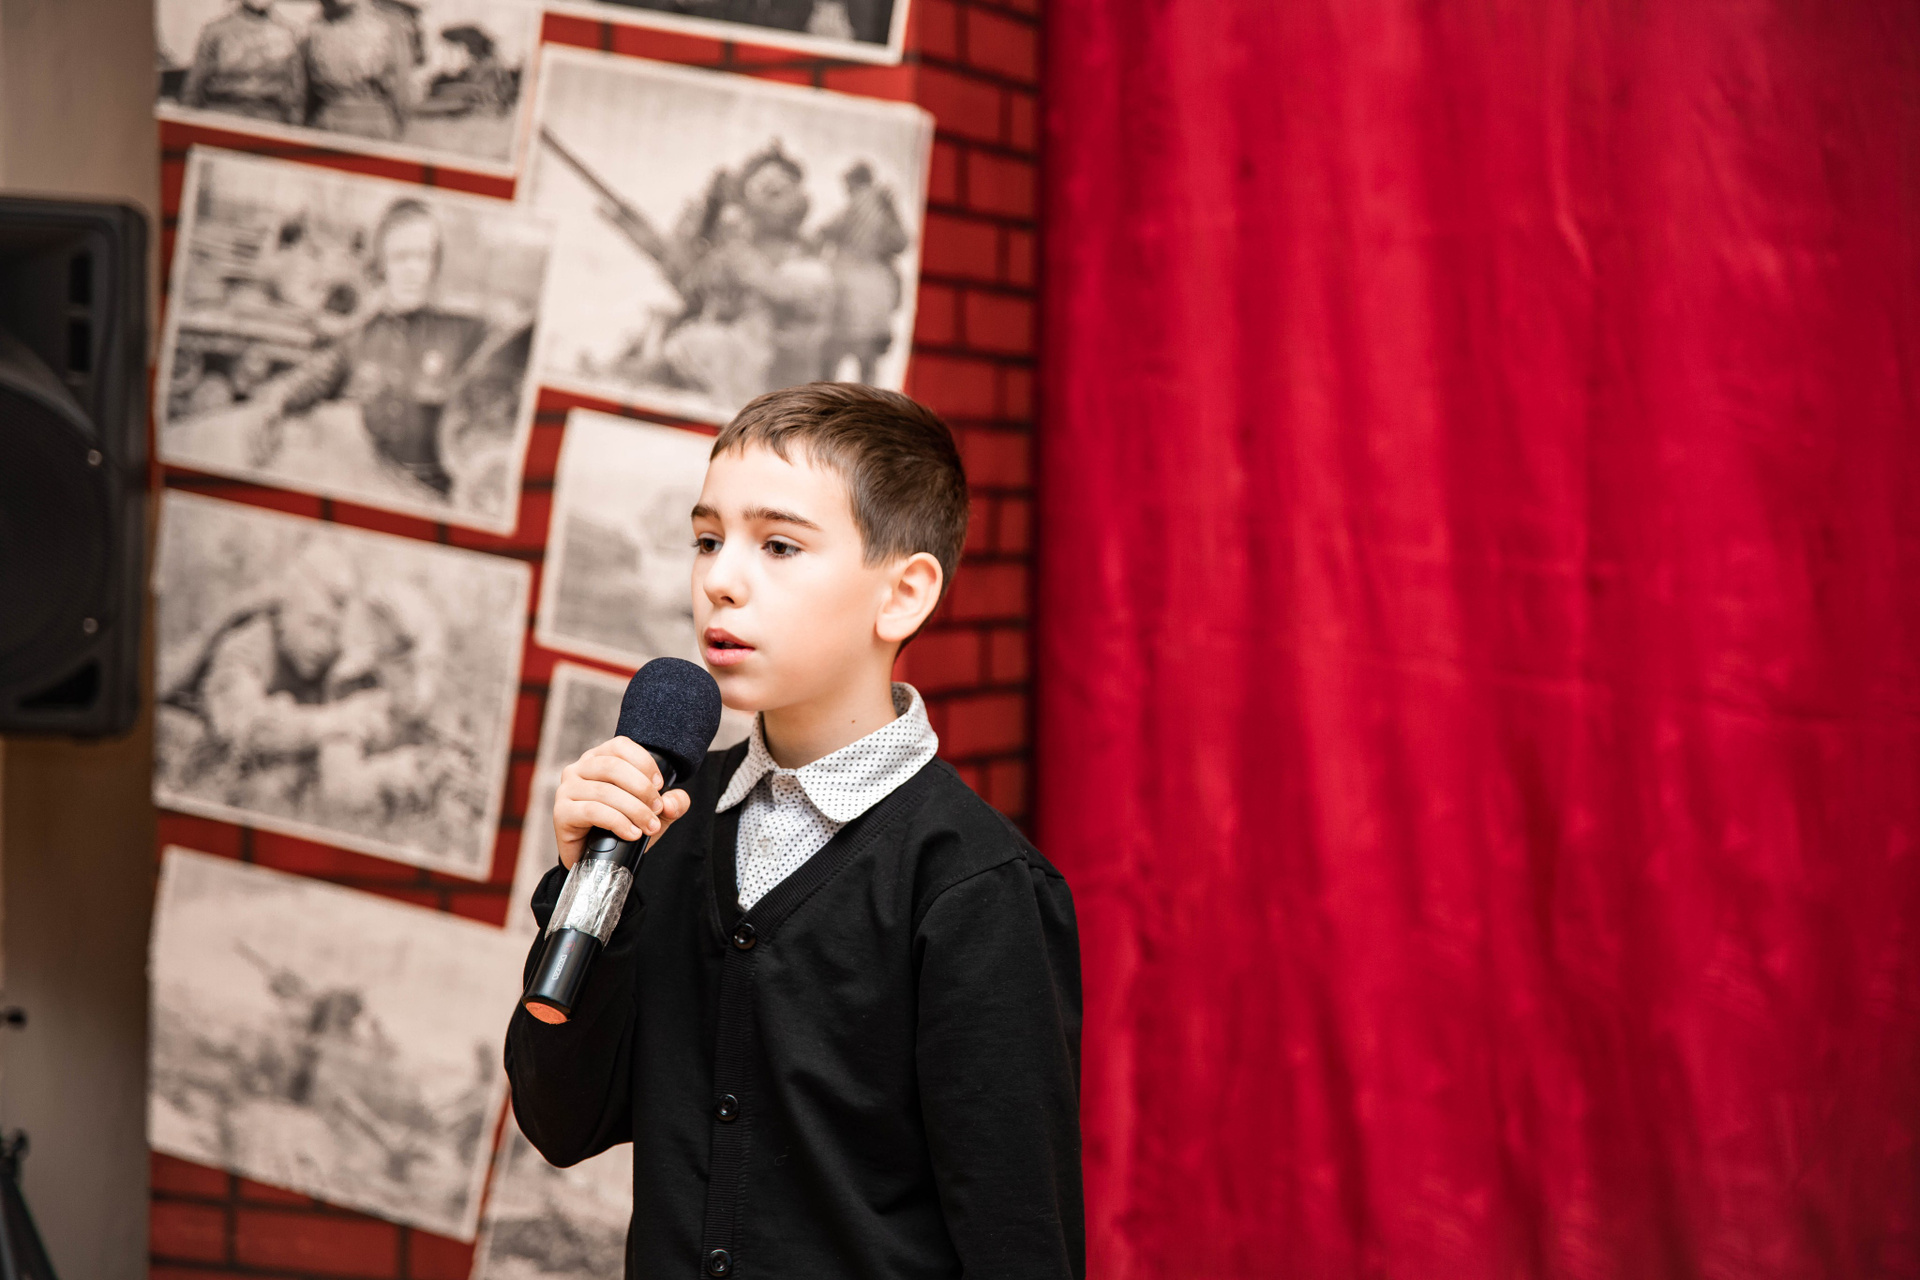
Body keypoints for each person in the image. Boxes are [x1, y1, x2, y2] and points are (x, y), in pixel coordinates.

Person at [505, 382, 1085, 1280]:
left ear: (903, 596)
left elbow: (1019, 1243)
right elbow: (562, 1121)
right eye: (707, 541)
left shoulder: (976, 888)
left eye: (778, 545)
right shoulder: (673, 826)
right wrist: (589, 886)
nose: (720, 581)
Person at [245, 198, 508, 498]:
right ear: (383, 265)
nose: (412, 269)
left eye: (423, 257)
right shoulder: (365, 330)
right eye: (400, 257)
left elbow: (503, 405)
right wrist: (274, 403)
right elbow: (317, 376)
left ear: (435, 264)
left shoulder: (467, 332)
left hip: (440, 495)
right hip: (381, 482)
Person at [302, 0, 416, 140]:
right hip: (327, 124)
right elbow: (305, 95)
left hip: (373, 124)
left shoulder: (388, 28)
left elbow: (401, 89)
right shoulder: (315, 31)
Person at [179, 0, 305, 123]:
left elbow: (296, 94)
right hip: (222, 115)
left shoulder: (289, 33)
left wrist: (294, 126)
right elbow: (194, 88)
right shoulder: (215, 31)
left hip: (269, 119)